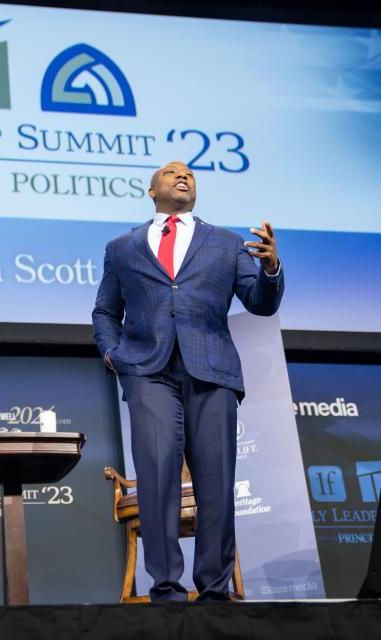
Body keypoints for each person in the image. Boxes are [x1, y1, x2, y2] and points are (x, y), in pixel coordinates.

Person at [92, 161, 284, 602]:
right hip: (147, 371)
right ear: (151, 189)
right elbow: (105, 311)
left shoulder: (227, 242)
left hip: (211, 370)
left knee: (216, 483)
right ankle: (165, 590)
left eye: (190, 175)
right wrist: (112, 353)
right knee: (158, 477)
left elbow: (259, 303)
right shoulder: (122, 247)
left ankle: (215, 590)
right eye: (172, 173)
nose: (183, 177)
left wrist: (271, 269)